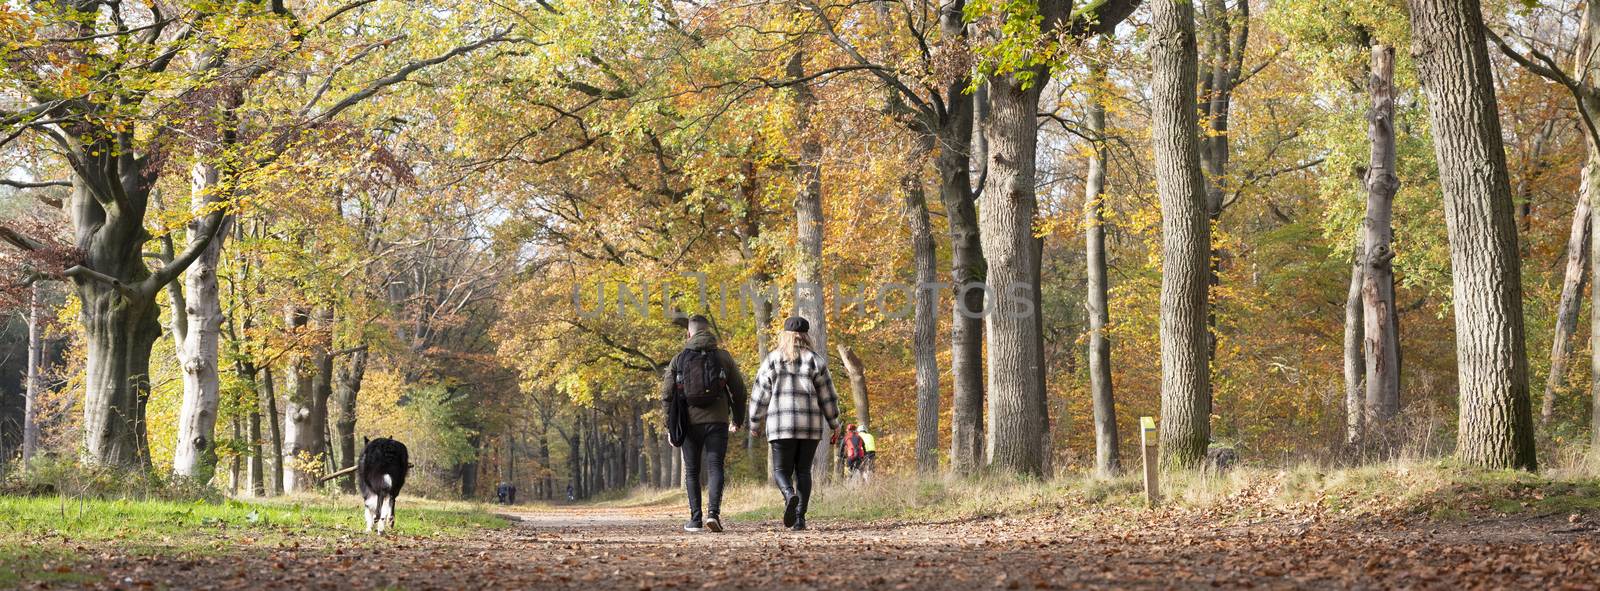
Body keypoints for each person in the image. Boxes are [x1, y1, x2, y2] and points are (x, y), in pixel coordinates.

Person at [749, 316, 840, 532]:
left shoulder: (773, 359)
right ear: (807, 336)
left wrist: (754, 422)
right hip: (810, 426)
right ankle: (800, 519)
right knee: (804, 471)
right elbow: (828, 396)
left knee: (781, 470)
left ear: (785, 335)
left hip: (781, 425)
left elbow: (760, 393)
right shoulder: (816, 360)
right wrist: (835, 422)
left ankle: (789, 494)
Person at [660, 314, 748, 533]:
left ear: (688, 333)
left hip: (688, 423)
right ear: (709, 332)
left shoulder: (679, 359)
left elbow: (667, 395)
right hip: (718, 421)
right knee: (715, 466)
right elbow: (740, 391)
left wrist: (669, 426)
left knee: (692, 471)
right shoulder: (723, 357)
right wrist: (737, 419)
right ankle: (713, 514)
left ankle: (695, 519)